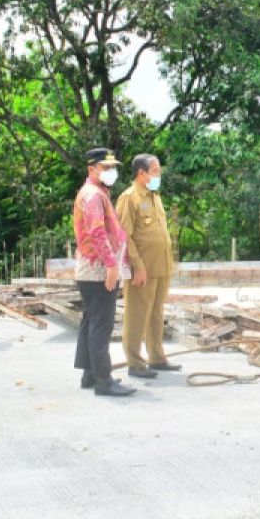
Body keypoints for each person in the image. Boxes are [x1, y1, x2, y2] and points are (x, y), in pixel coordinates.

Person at [72, 148, 135, 397]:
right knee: (102, 325)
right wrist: (111, 265)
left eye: (112, 167)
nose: (111, 172)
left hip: (93, 269)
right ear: (92, 169)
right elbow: (97, 233)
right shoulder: (93, 196)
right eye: (105, 167)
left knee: (91, 322)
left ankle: (90, 373)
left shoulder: (97, 192)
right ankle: (103, 380)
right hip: (97, 270)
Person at [116, 153, 181, 379]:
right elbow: (124, 236)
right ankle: (134, 363)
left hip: (161, 266)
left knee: (155, 313)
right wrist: (137, 266)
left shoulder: (155, 197)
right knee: (137, 314)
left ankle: (157, 358)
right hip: (142, 268)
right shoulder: (129, 198)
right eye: (155, 171)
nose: (158, 175)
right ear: (141, 173)